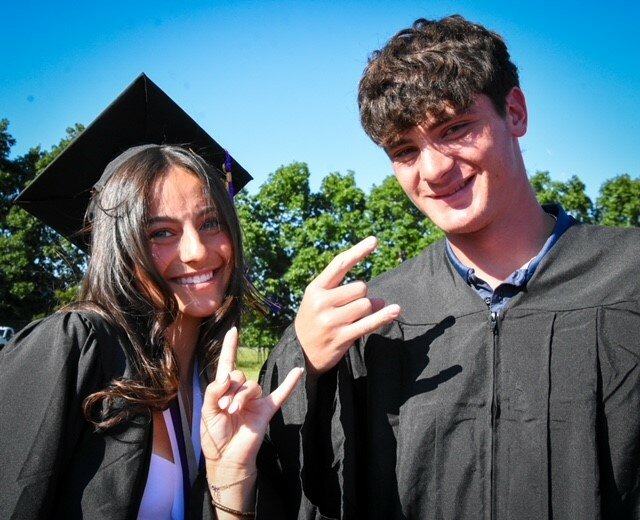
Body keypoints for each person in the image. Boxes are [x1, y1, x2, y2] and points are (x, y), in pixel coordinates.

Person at [256, 15, 640, 519]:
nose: (433, 170)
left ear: (516, 112)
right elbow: (306, 488)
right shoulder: (377, 320)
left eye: (456, 129)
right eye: (405, 150)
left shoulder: (629, 279)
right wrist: (302, 357)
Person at [0, 74, 303, 519]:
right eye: (161, 232)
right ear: (118, 246)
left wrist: (229, 480)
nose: (198, 252)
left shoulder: (210, 383)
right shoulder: (75, 345)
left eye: (211, 223)